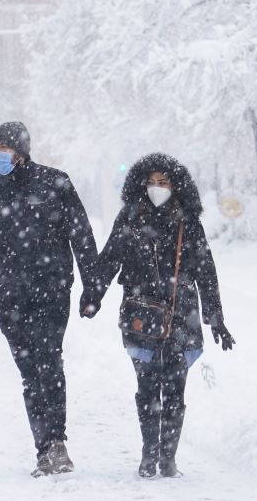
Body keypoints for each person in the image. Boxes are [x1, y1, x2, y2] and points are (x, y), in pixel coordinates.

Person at [0, 121, 98, 477]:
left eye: (4, 148)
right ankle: (44, 447)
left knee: (49, 361)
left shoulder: (55, 183)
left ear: (21, 150)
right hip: (9, 295)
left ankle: (56, 443)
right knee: (29, 372)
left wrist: (91, 286)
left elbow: (81, 234)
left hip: (51, 290)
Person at [86, 153, 235, 478]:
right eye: (152, 183)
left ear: (175, 186)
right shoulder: (130, 218)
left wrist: (216, 319)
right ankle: (148, 454)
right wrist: (92, 296)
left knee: (176, 387)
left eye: (163, 183)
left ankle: (168, 458)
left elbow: (206, 271)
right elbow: (110, 258)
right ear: (142, 184)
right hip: (141, 315)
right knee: (147, 386)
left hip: (182, 314)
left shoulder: (187, 222)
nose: (157, 188)